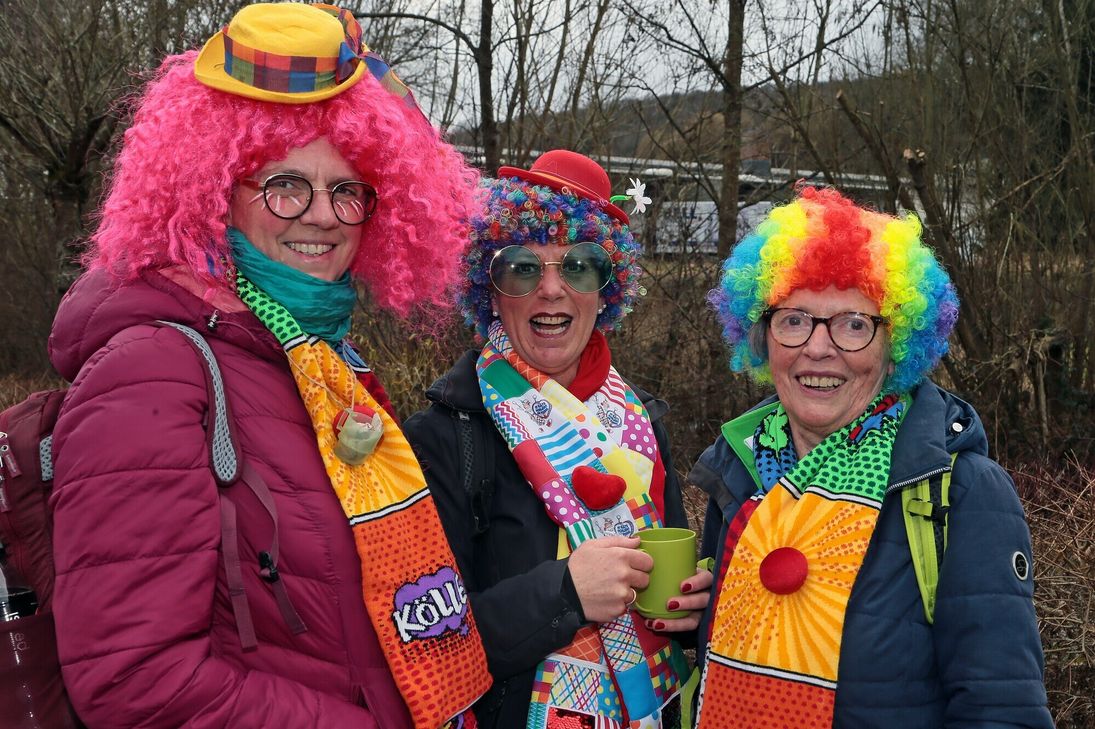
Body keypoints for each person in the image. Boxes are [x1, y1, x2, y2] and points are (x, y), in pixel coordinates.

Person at [46, 4, 489, 727]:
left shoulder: (313, 359)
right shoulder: (151, 374)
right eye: (285, 184)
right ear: (213, 193)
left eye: (346, 190)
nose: (320, 215)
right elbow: (135, 680)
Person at [691, 186, 1053, 727]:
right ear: (762, 335)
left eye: (854, 325)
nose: (818, 348)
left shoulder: (962, 491)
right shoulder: (741, 471)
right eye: (794, 319)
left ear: (897, 346)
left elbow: (1001, 710)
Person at [404, 150, 711, 729]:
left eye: (579, 266)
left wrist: (691, 607)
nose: (551, 289)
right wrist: (565, 595)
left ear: (605, 289)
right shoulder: (444, 439)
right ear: (490, 291)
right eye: (521, 267)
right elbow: (427, 647)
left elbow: (673, 600)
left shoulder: (640, 422)